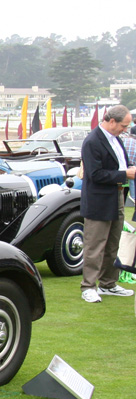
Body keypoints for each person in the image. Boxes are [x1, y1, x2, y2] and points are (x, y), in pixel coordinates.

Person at [79, 104, 136, 303]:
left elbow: (117, 165)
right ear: (111, 121)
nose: (125, 130)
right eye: (123, 125)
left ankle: (108, 284)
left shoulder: (116, 139)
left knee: (113, 244)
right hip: (98, 201)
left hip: (117, 196)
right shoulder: (92, 141)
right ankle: (88, 287)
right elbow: (94, 175)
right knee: (95, 246)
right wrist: (125, 174)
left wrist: (127, 170)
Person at [122, 113, 136, 205]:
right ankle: (134, 198)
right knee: (132, 182)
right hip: (132, 165)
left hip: (124, 165)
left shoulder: (125, 140)